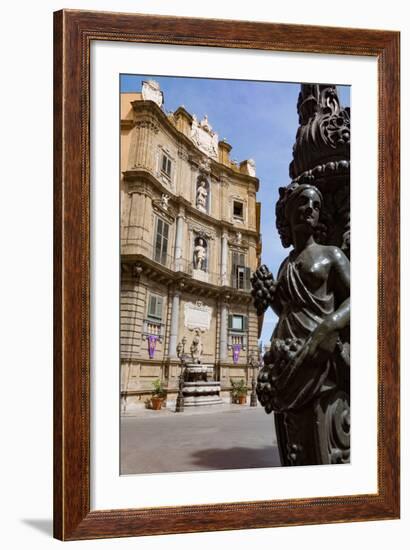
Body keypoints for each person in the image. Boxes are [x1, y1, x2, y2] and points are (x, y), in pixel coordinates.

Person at [251, 183, 350, 464]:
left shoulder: (332, 254)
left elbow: (358, 297)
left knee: (319, 437)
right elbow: (287, 310)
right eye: (304, 203)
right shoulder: (286, 265)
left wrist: (329, 326)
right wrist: (268, 297)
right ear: (290, 213)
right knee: (295, 446)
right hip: (287, 355)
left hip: (317, 354)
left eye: (317, 206)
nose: (311, 209)